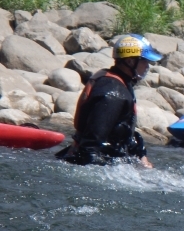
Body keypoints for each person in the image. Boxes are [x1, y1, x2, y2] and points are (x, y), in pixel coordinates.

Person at [56, 34, 162, 167]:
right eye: (145, 61)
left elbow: (122, 129)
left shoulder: (118, 83)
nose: (148, 66)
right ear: (130, 61)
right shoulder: (113, 94)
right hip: (93, 164)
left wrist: (140, 154)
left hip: (109, 160)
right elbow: (90, 148)